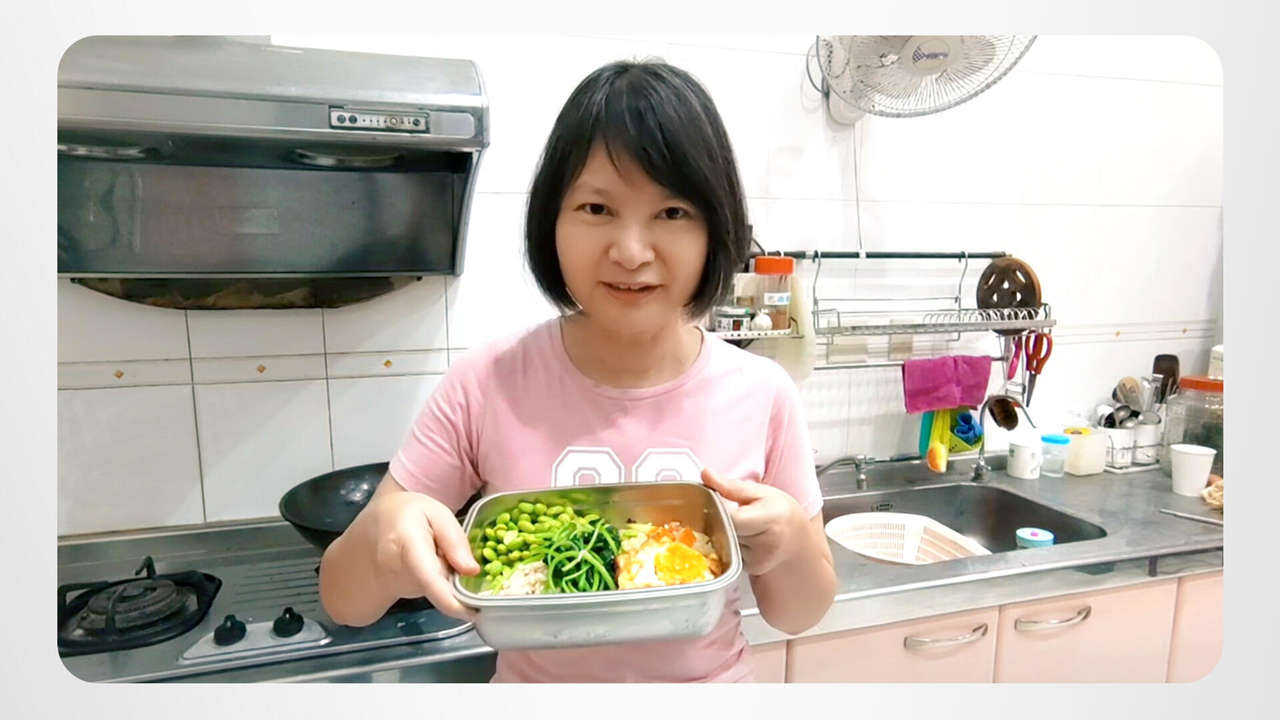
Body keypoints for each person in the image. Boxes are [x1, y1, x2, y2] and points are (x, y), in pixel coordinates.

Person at [319, 59, 837, 683]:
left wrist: (791, 543)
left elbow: (800, 613)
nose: (632, 252)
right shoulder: (486, 382)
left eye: (673, 213)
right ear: (552, 221)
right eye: (596, 207)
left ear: (715, 230)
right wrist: (383, 537)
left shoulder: (763, 392)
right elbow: (343, 600)